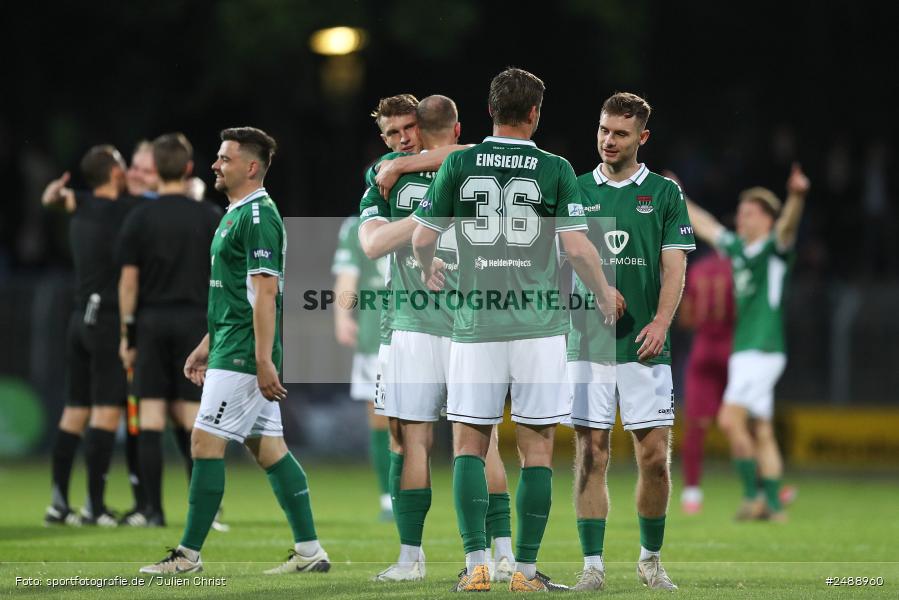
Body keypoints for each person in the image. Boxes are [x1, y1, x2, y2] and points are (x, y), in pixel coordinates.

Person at [412, 68, 620, 592]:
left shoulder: (459, 162)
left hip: (476, 324)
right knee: (538, 448)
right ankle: (524, 571)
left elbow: (421, 237)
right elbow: (575, 248)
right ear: (534, 114)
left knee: (467, 444)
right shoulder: (555, 168)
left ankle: (477, 565)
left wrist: (427, 267)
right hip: (539, 327)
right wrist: (600, 291)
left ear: (489, 111)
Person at [140, 127, 330, 574]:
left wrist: (262, 359)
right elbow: (236, 293)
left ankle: (187, 556)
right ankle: (309, 552)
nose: (215, 164)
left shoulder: (259, 216)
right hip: (230, 346)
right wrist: (206, 345)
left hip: (245, 354)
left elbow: (266, 293)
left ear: (250, 166)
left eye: (224, 158)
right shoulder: (235, 212)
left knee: (203, 442)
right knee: (270, 451)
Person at [359, 95, 516, 584]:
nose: (403, 140)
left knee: (480, 439)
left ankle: (504, 552)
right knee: (407, 438)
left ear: (427, 129)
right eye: (393, 134)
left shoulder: (458, 163)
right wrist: (428, 222)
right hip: (409, 320)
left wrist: (413, 168)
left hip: (471, 323)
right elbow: (371, 245)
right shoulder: (385, 174)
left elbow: (468, 151)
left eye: (410, 129)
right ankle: (411, 557)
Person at [565, 93, 692, 591]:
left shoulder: (663, 194)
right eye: (602, 130)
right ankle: (592, 566)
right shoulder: (574, 189)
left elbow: (675, 266)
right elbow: (561, 261)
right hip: (589, 346)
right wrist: (592, 291)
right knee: (591, 454)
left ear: (642, 137)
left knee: (654, 459)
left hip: (645, 346)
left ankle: (649, 559)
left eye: (619, 133)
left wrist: (661, 322)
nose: (607, 141)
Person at [686, 163, 809, 522]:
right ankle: (773, 505)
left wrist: (797, 197)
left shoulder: (774, 247)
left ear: (767, 219)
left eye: (750, 213)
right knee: (763, 431)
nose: (742, 218)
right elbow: (707, 225)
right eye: (741, 212)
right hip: (747, 351)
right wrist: (677, 194)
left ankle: (754, 497)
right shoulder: (739, 248)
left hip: (762, 349)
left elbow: (788, 226)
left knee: (727, 419)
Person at [116, 133, 223, 526]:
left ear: (155, 171)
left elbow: (128, 283)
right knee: (195, 418)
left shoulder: (139, 218)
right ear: (190, 169)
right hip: (197, 325)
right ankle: (205, 513)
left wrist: (127, 334)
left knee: (150, 417)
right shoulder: (210, 217)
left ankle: (151, 510)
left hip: (151, 322)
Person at [41, 145, 142, 526]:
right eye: (123, 166)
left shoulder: (81, 205)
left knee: (74, 410)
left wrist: (52, 194)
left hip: (80, 317)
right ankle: (94, 508)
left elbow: (53, 198)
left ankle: (58, 503)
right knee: (104, 411)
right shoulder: (126, 211)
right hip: (108, 321)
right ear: (115, 173)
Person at [332, 216, 392, 519]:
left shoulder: (357, 225)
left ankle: (390, 498)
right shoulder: (424, 212)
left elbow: (347, 277)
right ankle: (396, 497)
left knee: (382, 419)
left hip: (376, 337)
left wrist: (342, 317)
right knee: (412, 423)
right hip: (415, 331)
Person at [675, 248, 734, 515]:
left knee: (696, 425)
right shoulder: (738, 267)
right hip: (733, 350)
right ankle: (760, 487)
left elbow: (686, 316)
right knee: (746, 421)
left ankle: (691, 493)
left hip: (702, 349)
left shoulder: (698, 269)